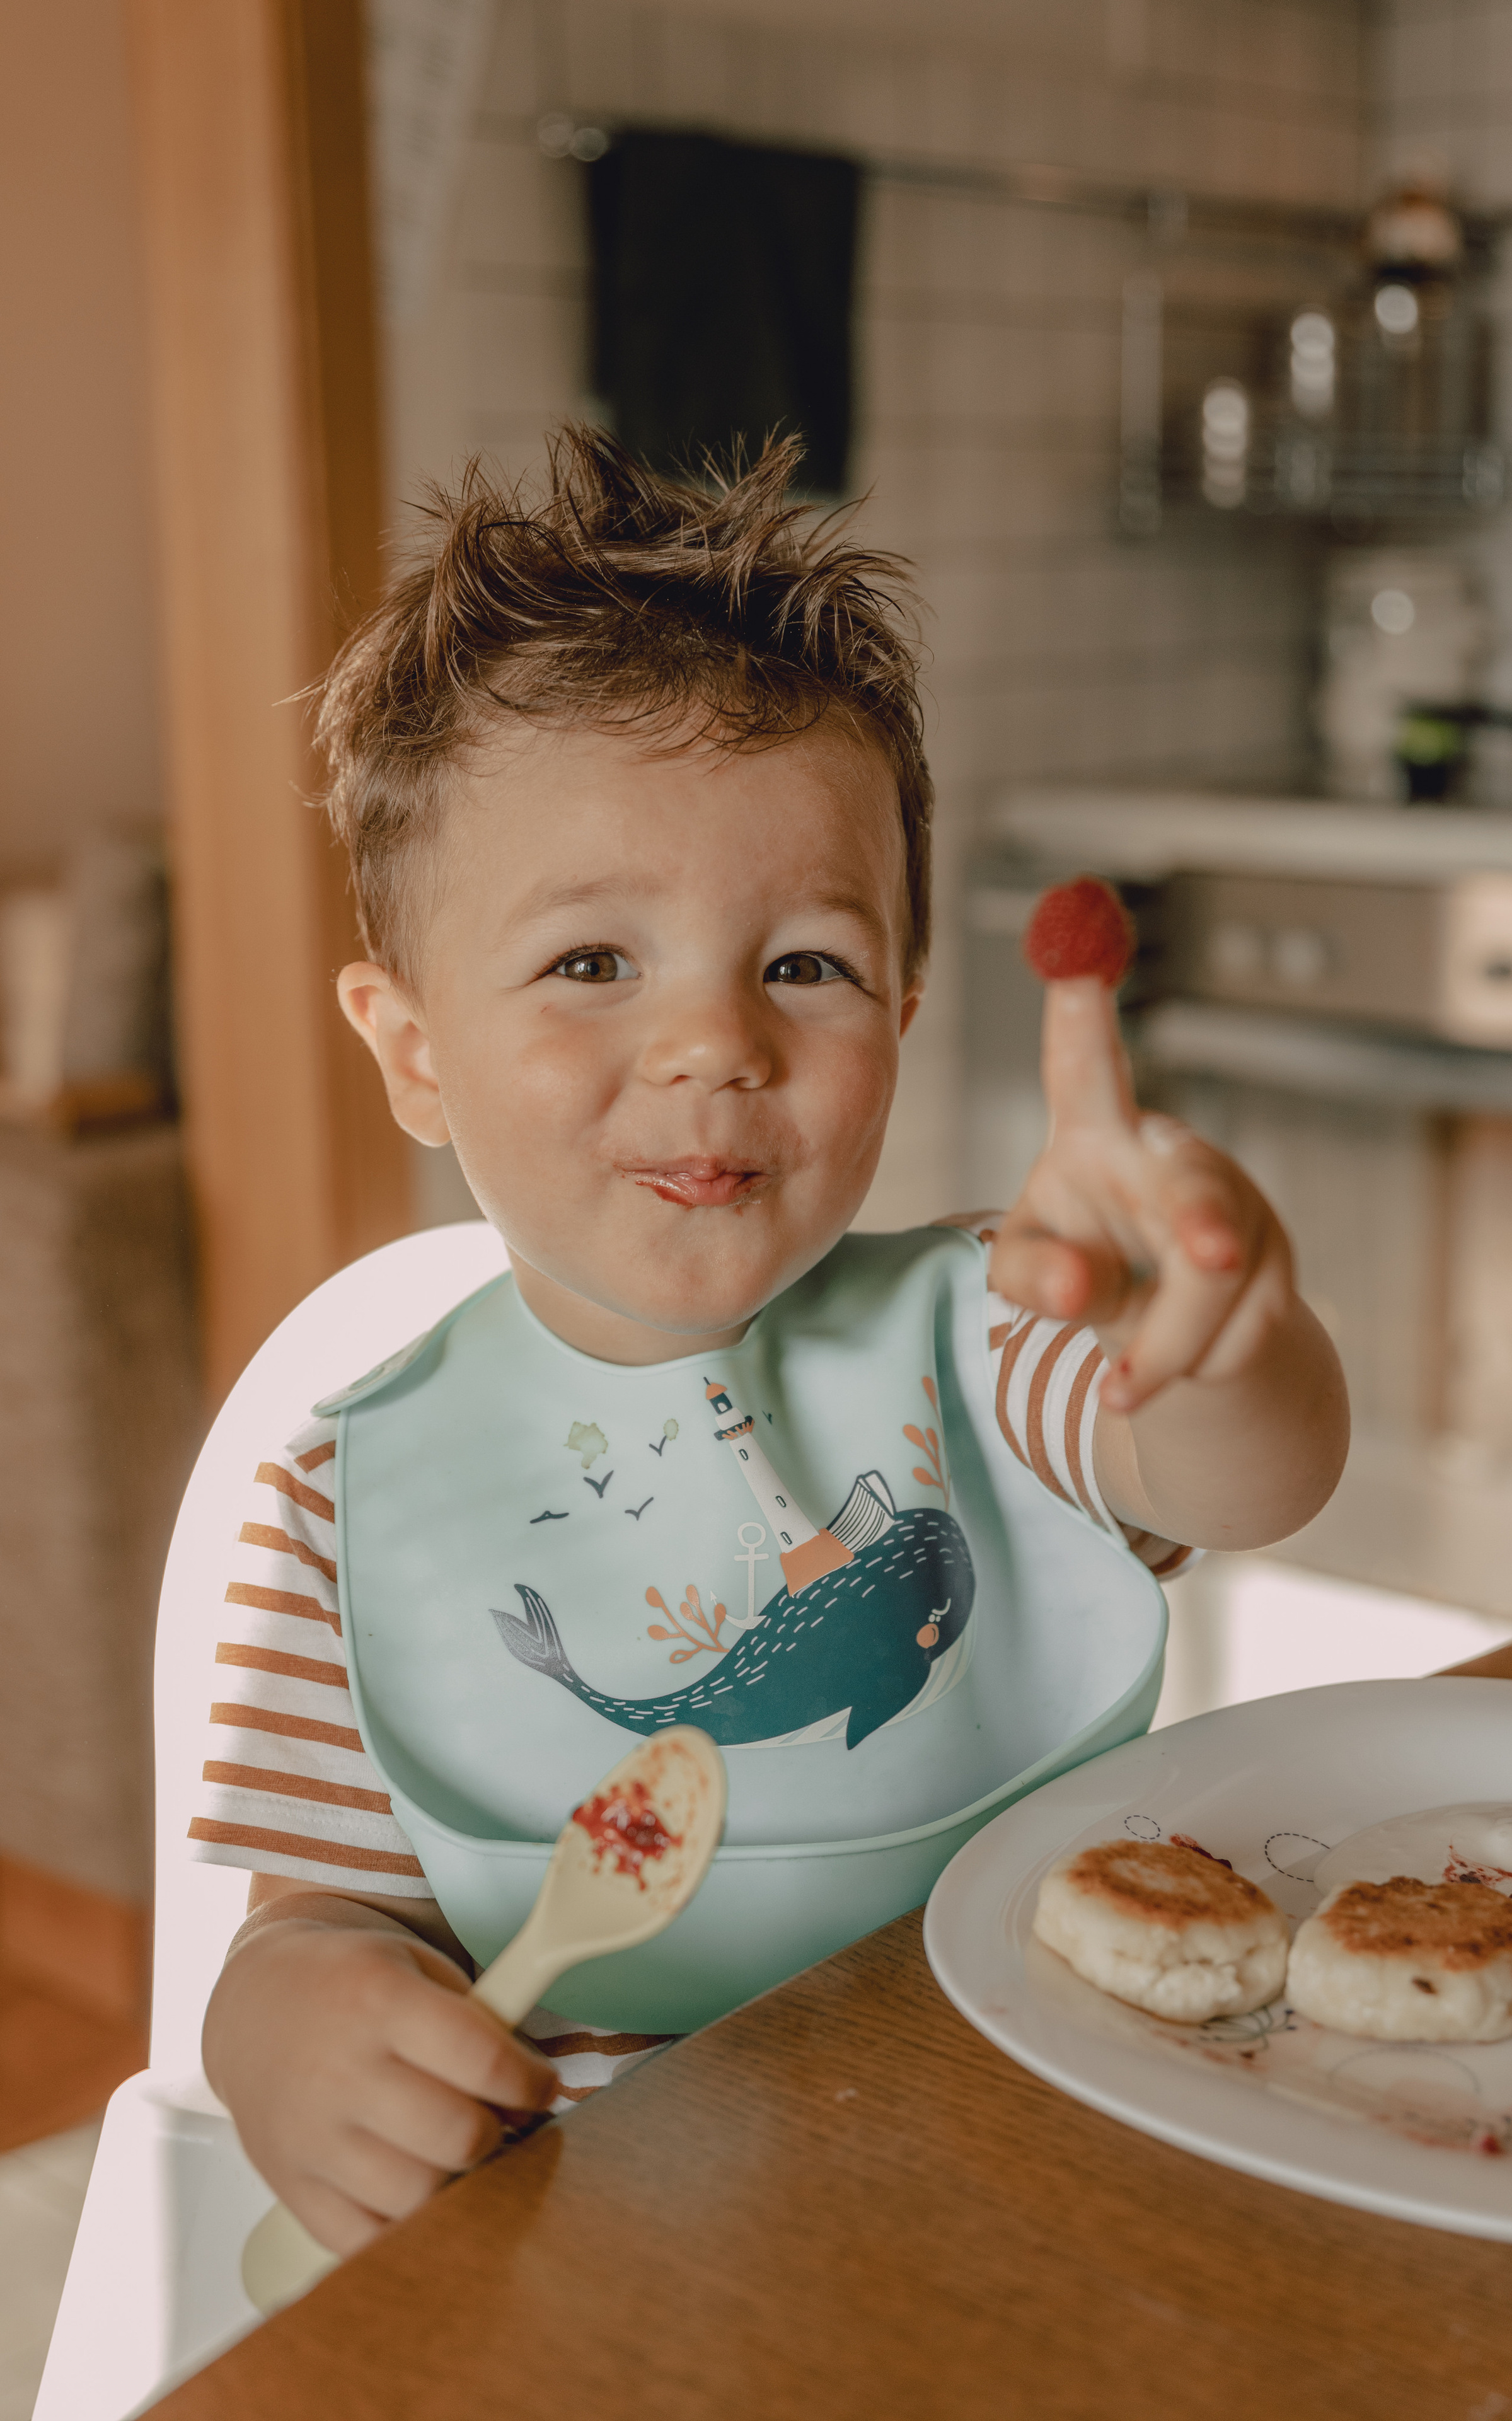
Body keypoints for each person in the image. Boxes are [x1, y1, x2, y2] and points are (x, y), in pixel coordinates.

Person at [193, 427, 1349, 2257]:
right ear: (414, 1049)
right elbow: (310, 1927)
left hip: (1038, 2205)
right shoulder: (351, 1494)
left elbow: (1246, 1478)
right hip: (603, 2258)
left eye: (804, 964)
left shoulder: (998, 1327)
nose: (714, 1044)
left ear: (903, 1006)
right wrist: (289, 2036)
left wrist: (1213, 1340)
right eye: (592, 963)